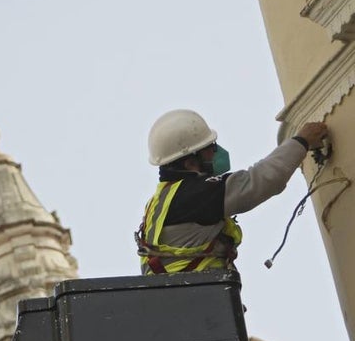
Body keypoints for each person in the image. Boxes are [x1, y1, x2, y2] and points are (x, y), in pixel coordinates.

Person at [136, 109, 330, 274]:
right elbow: (261, 180)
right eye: (209, 148)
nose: (215, 152)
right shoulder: (195, 195)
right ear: (190, 162)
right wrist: (301, 141)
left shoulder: (162, 199)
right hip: (198, 296)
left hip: (178, 297)